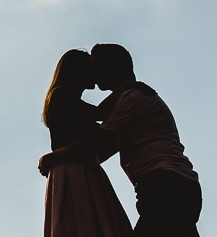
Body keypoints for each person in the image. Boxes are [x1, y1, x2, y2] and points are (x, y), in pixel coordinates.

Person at [40, 44, 203, 236]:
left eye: (97, 65)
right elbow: (103, 144)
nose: (94, 72)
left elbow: (100, 141)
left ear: (110, 67)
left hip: (165, 183)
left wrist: (53, 157)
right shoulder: (128, 97)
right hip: (168, 183)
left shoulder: (131, 98)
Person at [40, 49, 133, 237]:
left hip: (79, 168)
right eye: (91, 67)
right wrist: (126, 87)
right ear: (78, 71)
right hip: (74, 170)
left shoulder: (65, 99)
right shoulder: (61, 96)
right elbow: (100, 114)